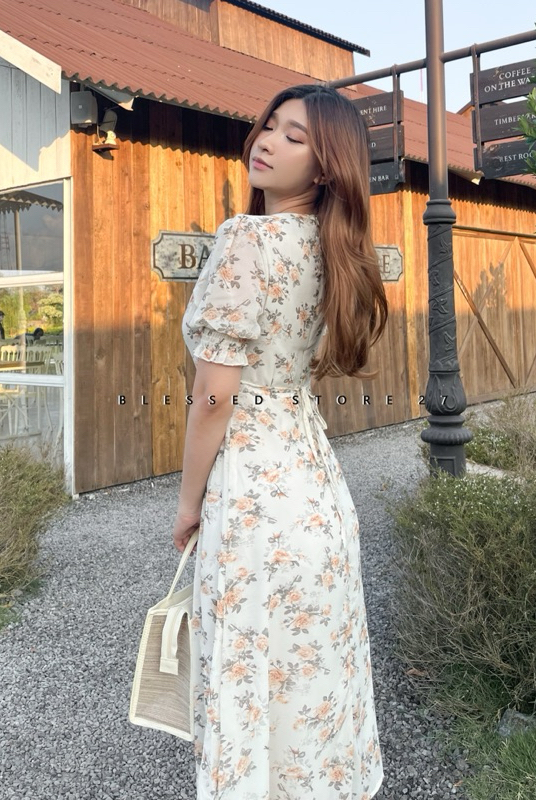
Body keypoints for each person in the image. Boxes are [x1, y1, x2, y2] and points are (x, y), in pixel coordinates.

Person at [172, 84, 388, 800]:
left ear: (325, 168)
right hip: (315, 486)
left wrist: (187, 503)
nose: (267, 140)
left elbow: (214, 397)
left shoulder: (247, 240)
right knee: (310, 669)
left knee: (249, 663)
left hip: (254, 491)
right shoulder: (335, 253)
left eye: (295, 137)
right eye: (270, 125)